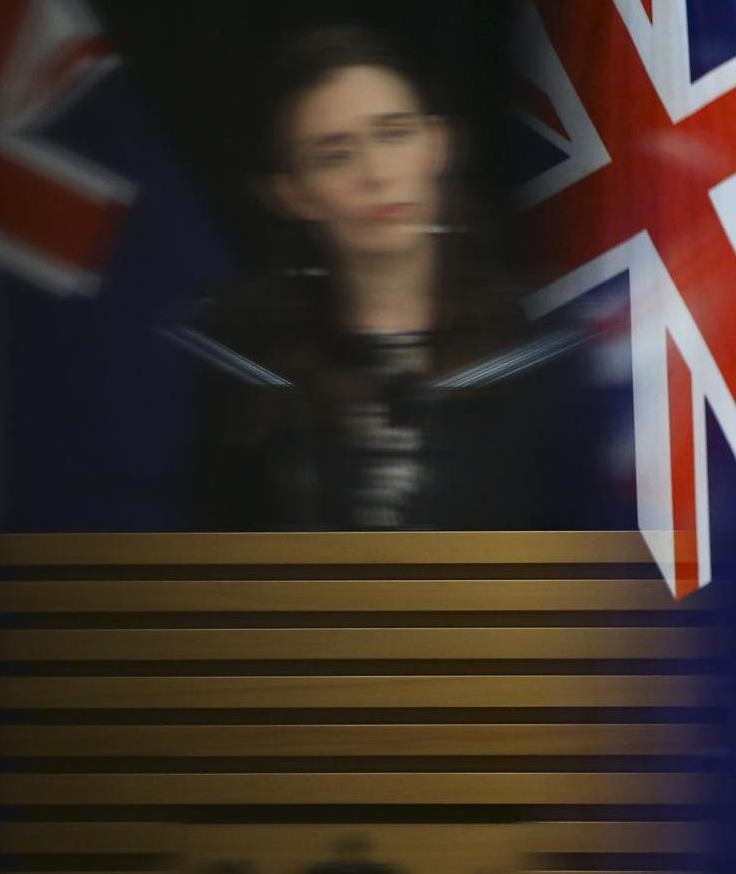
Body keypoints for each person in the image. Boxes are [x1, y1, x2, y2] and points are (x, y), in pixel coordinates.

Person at [185, 27, 584, 529]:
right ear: (291, 195)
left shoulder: (536, 345)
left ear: (438, 146)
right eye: (336, 155)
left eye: (394, 135)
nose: (377, 174)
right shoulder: (246, 360)